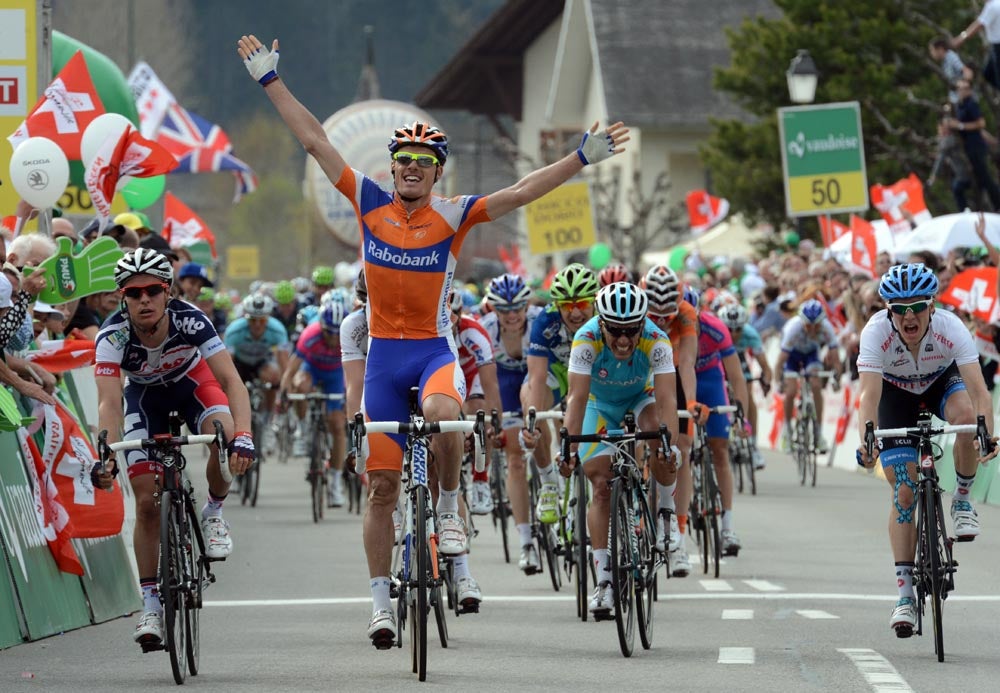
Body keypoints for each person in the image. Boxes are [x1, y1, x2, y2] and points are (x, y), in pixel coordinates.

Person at [237, 32, 629, 645]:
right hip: (384, 359)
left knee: (447, 415)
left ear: (437, 171)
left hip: (430, 350)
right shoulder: (367, 200)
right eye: (404, 160)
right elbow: (315, 140)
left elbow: (521, 192)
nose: (413, 168)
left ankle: (448, 510)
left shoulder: (454, 213)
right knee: (381, 490)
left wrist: (581, 157)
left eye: (424, 161)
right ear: (391, 168)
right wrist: (270, 80)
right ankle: (380, 604)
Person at [93, 249, 253, 647]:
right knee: (146, 502)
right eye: (133, 293)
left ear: (168, 292)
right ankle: (150, 605)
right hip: (144, 398)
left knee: (222, 433)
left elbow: (231, 382)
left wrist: (244, 435)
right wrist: (106, 453)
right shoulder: (112, 336)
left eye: (152, 291)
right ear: (122, 298)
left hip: (192, 384)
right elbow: (109, 402)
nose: (144, 299)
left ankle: (213, 512)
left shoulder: (190, 319)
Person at [855, 263, 998, 637]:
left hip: (940, 383)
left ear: (931, 306)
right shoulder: (875, 333)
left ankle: (962, 500)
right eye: (899, 309)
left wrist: (986, 432)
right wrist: (866, 440)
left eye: (917, 307)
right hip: (894, 394)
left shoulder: (951, 327)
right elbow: (868, 396)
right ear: (888, 310)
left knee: (966, 417)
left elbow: (980, 393)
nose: (909, 316)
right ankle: (905, 596)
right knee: (904, 491)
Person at [559, 282, 679, 617]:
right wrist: (567, 448)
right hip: (599, 405)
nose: (623, 340)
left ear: (642, 324)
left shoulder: (657, 340)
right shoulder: (586, 338)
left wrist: (669, 446)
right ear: (601, 324)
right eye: (615, 331)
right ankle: (604, 582)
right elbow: (576, 398)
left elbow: (668, 399)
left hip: (642, 398)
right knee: (600, 485)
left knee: (662, 442)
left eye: (631, 331)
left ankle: (666, 511)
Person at [279, 301, 348, 506]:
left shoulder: (349, 336)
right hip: (311, 370)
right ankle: (303, 427)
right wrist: (285, 393)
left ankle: (335, 482)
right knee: (300, 385)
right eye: (329, 333)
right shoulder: (310, 335)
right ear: (322, 327)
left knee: (337, 426)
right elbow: (291, 371)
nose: (334, 338)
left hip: (336, 375)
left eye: (338, 333)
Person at [774, 299, 842, 453]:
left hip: (811, 355)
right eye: (808, 325)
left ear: (822, 322)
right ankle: (787, 431)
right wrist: (779, 381)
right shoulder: (793, 328)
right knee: (791, 391)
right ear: (802, 321)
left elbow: (836, 359)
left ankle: (818, 434)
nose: (812, 329)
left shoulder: (827, 328)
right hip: (792, 356)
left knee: (816, 386)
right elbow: (780, 361)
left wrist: (837, 378)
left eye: (816, 325)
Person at [223, 293, 289, 428]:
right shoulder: (234, 331)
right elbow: (227, 363)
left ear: (268, 318)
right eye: (253, 320)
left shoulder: (277, 330)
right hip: (239, 364)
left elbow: (283, 361)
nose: (257, 325)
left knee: (274, 375)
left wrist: (283, 389)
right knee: (231, 384)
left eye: (262, 320)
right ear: (246, 318)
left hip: (261, 363)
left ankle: (268, 415)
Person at [947, 79, 1000, 210]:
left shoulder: (971, 104)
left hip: (976, 146)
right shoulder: (960, 106)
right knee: (978, 180)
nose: (962, 91)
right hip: (969, 147)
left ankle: (997, 204)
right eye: (960, 88)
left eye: (965, 88)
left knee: (985, 177)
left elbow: (980, 123)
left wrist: (960, 125)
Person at [927, 110, 973, 213]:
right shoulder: (953, 138)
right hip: (966, 171)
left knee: (956, 188)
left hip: (964, 173)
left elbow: (940, 159)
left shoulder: (948, 140)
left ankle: (964, 210)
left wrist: (933, 176)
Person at [952, 1, 1000, 91]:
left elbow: (979, 24)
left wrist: (961, 38)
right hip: (995, 46)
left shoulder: (993, 6)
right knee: (988, 73)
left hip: (998, 46)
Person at [929, 36, 974, 105]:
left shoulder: (951, 57)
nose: (931, 54)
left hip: (965, 101)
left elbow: (967, 72)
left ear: (940, 49)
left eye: (932, 50)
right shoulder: (944, 61)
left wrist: (964, 84)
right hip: (957, 101)